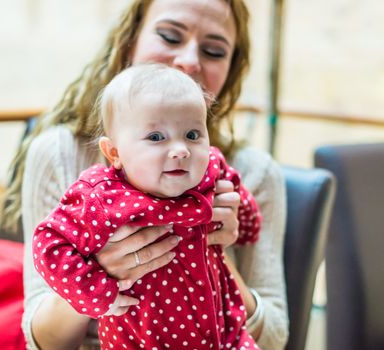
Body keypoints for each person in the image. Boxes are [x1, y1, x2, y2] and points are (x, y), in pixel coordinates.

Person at [1, 0, 288, 349]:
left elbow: (274, 337)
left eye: (214, 50)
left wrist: (214, 251)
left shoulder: (250, 172)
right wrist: (103, 276)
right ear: (130, 40)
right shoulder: (63, 157)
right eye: (169, 36)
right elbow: (41, 342)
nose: (189, 61)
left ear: (233, 67)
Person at [33, 64, 261, 349]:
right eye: (156, 137)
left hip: (227, 337)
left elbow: (240, 195)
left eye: (192, 135)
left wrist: (246, 226)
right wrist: (96, 292)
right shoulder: (102, 197)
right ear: (114, 153)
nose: (181, 150)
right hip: (138, 342)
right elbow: (48, 245)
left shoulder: (211, 168)